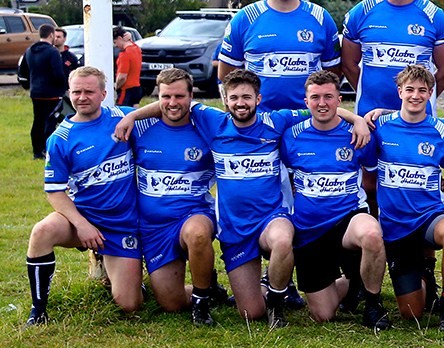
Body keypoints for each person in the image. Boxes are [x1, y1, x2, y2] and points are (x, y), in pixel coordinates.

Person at [115, 69, 368, 327]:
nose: (240, 103)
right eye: (234, 98)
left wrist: (356, 119)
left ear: (258, 99)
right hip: (235, 228)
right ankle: (269, 289)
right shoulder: (212, 120)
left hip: (271, 217)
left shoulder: (276, 121)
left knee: (282, 239)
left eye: (247, 97)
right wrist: (133, 115)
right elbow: (173, 102)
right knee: (250, 313)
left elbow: (320, 108)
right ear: (225, 100)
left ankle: (276, 302)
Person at [25, 67, 140, 324]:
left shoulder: (121, 116)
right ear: (69, 93)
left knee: (129, 304)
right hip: (83, 218)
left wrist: (135, 115)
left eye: (89, 91)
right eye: (76, 92)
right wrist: (82, 225)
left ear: (103, 94)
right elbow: (54, 191)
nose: (82, 97)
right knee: (42, 232)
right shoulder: (60, 138)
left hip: (122, 224)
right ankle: (38, 310)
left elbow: (161, 107)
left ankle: (127, 276)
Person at [281, 70, 388, 330]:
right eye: (315, 97)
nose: (322, 103)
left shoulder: (358, 135)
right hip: (309, 230)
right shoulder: (291, 137)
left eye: (328, 97)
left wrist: (361, 120)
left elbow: (373, 178)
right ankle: (354, 283)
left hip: (347, 219)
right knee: (323, 315)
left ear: (339, 100)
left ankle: (373, 304)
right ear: (306, 102)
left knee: (372, 234)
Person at [365, 64, 444, 332]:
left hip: (430, 215)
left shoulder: (441, 131)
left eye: (422, 90)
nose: (416, 95)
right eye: (410, 90)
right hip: (396, 225)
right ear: (399, 91)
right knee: (411, 313)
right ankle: (425, 274)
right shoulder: (380, 126)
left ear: (431, 93)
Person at [124, 68, 222, 325]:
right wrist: (132, 114)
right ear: (158, 97)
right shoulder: (140, 127)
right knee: (171, 303)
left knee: (197, 234)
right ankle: (209, 285)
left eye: (179, 96)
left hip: (194, 213)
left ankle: (201, 303)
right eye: (166, 96)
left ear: (191, 97)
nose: (172, 103)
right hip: (154, 227)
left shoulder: (206, 127)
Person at [217, 0, 340, 112]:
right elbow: (226, 75)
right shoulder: (244, 18)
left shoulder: (321, 18)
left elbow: (333, 74)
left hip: (308, 118)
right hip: (258, 119)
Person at [341, 0, 444, 116]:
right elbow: (348, 65)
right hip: (369, 116)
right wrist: (367, 92)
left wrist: (421, 97)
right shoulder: (360, 13)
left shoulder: (434, 16)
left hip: (417, 117)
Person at [18, 23, 67, 159]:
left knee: (38, 121)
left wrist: (28, 85)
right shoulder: (53, 52)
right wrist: (63, 88)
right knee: (50, 121)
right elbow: (58, 73)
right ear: (51, 35)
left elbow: (22, 72)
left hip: (36, 93)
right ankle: (48, 149)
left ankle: (37, 151)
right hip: (52, 93)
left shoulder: (29, 50)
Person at [112, 26, 143, 107]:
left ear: (119, 38)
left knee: (120, 111)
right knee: (135, 112)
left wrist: (116, 86)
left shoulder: (124, 54)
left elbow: (122, 77)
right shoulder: (136, 48)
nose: (115, 45)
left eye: (115, 42)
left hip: (126, 90)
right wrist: (129, 37)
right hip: (137, 88)